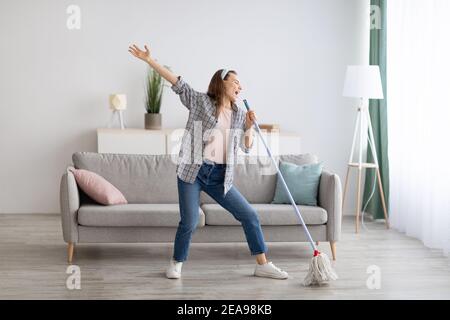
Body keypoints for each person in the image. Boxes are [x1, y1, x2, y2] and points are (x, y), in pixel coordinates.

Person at [129, 44, 288, 280]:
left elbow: (245, 146)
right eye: (235, 82)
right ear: (222, 82)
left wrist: (249, 127)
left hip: (220, 177)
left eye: (240, 84)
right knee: (190, 221)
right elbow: (177, 83)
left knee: (250, 215)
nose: (240, 87)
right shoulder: (200, 102)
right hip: (193, 171)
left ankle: (262, 264)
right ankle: (176, 262)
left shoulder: (238, 114)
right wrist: (150, 61)